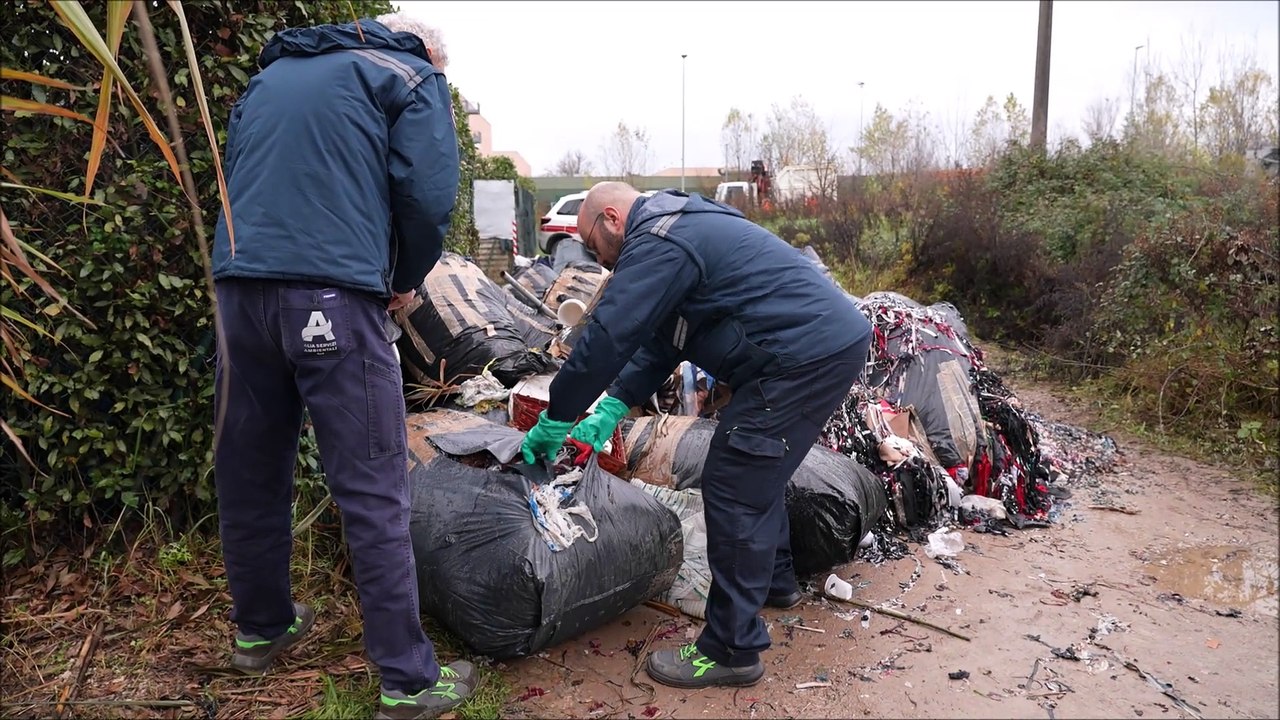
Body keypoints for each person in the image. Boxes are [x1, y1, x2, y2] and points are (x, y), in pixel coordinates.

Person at [209, 13, 471, 720]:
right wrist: (405, 275)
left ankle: (261, 629)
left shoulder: (269, 77)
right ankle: (408, 683)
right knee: (372, 483)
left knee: (249, 469)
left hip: (236, 290)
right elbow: (425, 195)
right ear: (426, 47)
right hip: (330, 291)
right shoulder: (413, 75)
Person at [520, 182, 874, 689]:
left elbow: (609, 336)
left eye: (594, 247)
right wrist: (613, 406)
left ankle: (731, 648)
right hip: (813, 346)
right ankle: (775, 581)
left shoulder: (657, 240)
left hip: (801, 355)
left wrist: (556, 416)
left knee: (733, 478)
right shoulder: (678, 226)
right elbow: (663, 339)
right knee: (755, 473)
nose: (601, 263)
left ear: (612, 219)